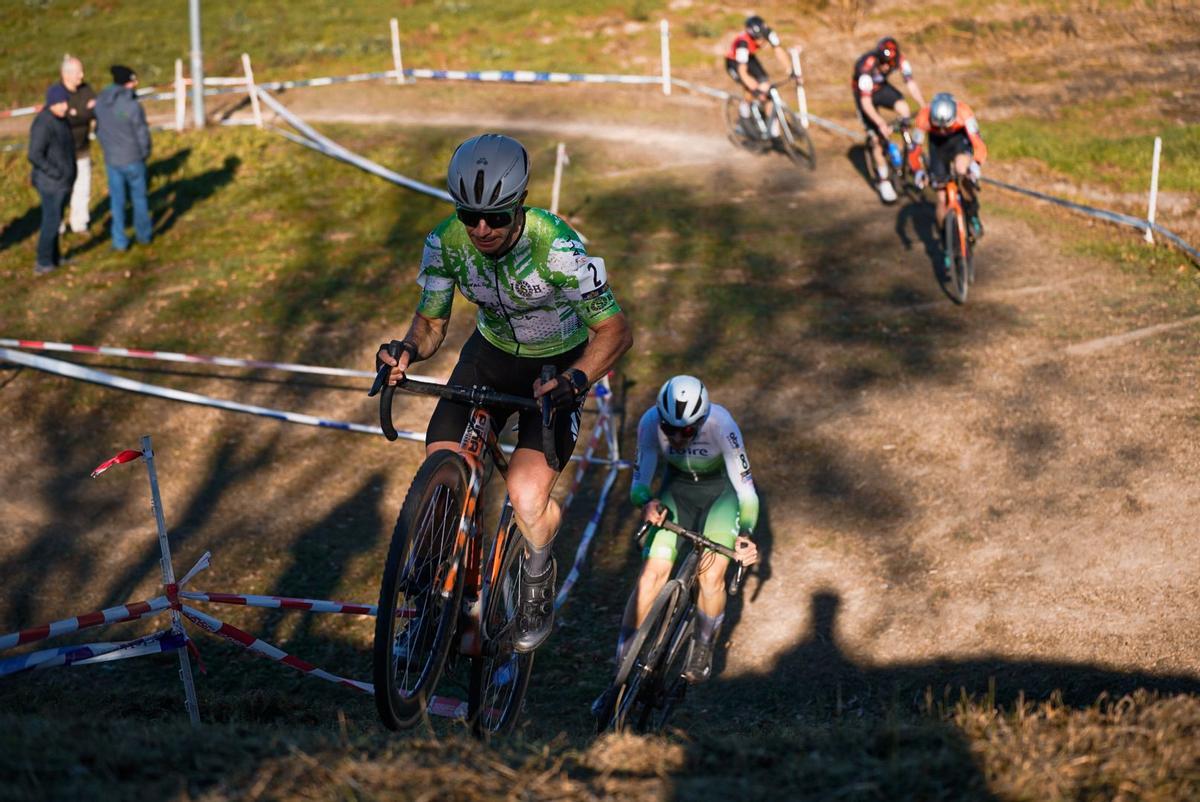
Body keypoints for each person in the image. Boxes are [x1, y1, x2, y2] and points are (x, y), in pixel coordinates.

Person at [377, 133, 633, 655]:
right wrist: (406, 350)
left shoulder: (558, 247)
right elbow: (431, 321)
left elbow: (615, 332)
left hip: (555, 366)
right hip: (489, 355)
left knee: (525, 494)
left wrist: (576, 380)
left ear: (519, 206)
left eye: (495, 216)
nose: (482, 229)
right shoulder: (446, 241)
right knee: (442, 467)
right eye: (470, 216)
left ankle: (537, 576)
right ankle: (430, 602)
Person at [605, 375, 760, 699]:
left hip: (720, 495)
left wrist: (745, 533)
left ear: (701, 421)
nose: (676, 437)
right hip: (676, 492)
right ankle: (624, 655)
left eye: (686, 431)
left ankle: (703, 642)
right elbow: (640, 481)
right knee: (652, 574)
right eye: (669, 429)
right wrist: (646, 501)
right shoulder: (650, 422)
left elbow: (746, 491)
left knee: (711, 576)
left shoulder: (722, 424)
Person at [852, 36, 927, 203]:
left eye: (890, 64)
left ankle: (908, 149)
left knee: (904, 109)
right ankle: (884, 179)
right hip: (864, 96)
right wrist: (880, 123)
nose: (886, 67)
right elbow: (866, 103)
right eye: (883, 63)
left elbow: (911, 84)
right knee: (877, 138)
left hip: (881, 88)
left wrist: (923, 104)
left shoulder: (901, 61)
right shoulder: (866, 67)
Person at [910, 92, 988, 239]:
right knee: (941, 198)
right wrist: (917, 171)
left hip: (958, 141)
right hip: (937, 146)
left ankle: (972, 215)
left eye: (947, 127)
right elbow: (914, 150)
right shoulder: (923, 117)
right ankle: (946, 240)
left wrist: (976, 164)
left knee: (961, 169)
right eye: (938, 127)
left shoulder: (964, 112)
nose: (943, 131)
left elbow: (978, 144)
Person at [94, 64, 152, 251]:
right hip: (133, 159)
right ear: (129, 83)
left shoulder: (101, 103)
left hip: (112, 160)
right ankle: (143, 235)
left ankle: (119, 241)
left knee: (117, 202)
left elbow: (99, 130)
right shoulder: (133, 106)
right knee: (139, 199)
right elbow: (142, 134)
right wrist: (144, 154)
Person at [27, 84, 76, 275]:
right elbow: (34, 154)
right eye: (60, 102)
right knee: (50, 221)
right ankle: (43, 262)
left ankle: (55, 257)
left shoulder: (61, 120)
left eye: (65, 101)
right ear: (51, 103)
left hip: (62, 182)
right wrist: (55, 172)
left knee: (56, 221)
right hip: (50, 183)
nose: (64, 106)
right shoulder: (43, 123)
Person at [724, 15, 797, 141]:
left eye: (763, 37)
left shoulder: (768, 32)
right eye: (757, 39)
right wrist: (753, 87)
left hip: (750, 58)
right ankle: (744, 112)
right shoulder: (743, 43)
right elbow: (742, 71)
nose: (761, 41)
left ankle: (774, 132)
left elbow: (778, 51)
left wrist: (789, 69)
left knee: (767, 88)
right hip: (735, 62)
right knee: (750, 87)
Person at [57, 55, 96, 235]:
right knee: (61, 190)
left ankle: (79, 223)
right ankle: (57, 224)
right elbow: (64, 117)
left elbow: (93, 110)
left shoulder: (87, 89)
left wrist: (76, 113)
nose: (82, 75)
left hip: (82, 151)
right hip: (61, 153)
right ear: (66, 74)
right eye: (78, 72)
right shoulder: (57, 93)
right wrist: (83, 113)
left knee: (83, 188)